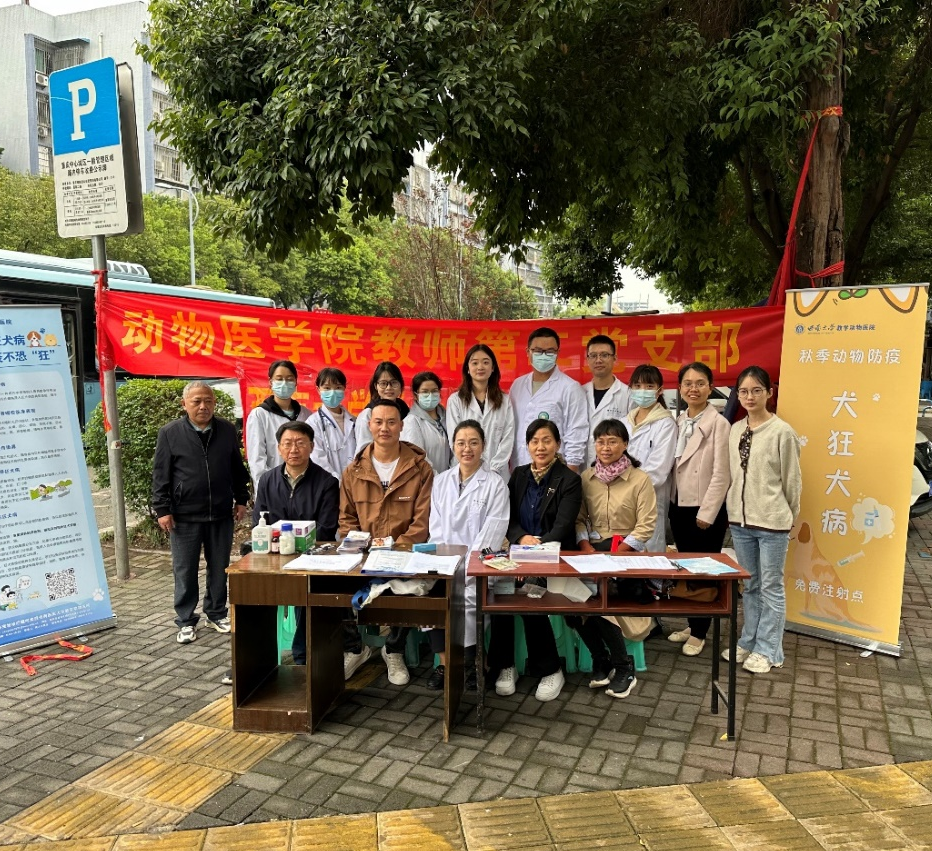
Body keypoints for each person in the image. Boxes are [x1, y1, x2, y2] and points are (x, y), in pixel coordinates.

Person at [340, 398, 434, 684]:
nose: (385, 428)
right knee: (332, 586)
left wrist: (396, 551)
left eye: (391, 422)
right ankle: (355, 648)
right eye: (379, 422)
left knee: (414, 585)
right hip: (362, 556)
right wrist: (362, 550)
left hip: (404, 554)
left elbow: (422, 521)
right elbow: (346, 519)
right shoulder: (353, 471)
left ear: (401, 426)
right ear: (369, 425)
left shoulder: (421, 469)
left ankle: (394, 649)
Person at [488, 420, 582, 702]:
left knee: (530, 594)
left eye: (547, 440)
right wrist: (520, 538)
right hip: (518, 550)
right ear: (527, 445)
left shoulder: (569, 480)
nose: (540, 447)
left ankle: (550, 669)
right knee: (500, 592)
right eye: (534, 441)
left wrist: (534, 550)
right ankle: (505, 665)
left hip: (552, 556)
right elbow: (507, 516)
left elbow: (563, 526)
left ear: (557, 444)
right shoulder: (518, 475)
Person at [152, 381, 250, 644]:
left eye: (208, 400)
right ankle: (185, 620)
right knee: (185, 570)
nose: (203, 406)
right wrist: (162, 509)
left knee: (219, 567)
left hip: (220, 513)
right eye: (196, 401)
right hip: (184, 516)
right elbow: (161, 475)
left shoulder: (226, 430)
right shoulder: (170, 433)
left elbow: (237, 468)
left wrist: (241, 499)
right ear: (184, 404)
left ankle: (216, 613)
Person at [723, 366, 801, 674]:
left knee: (771, 586)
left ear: (769, 393)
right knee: (750, 585)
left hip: (772, 522)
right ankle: (749, 641)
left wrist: (788, 515)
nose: (750, 397)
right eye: (743, 391)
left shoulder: (782, 432)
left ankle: (769, 649)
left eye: (757, 390)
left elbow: (792, 481)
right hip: (740, 523)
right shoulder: (735, 429)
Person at [573, 418, 657, 698]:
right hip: (593, 552)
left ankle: (624, 667)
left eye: (612, 441)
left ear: (625, 444)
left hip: (627, 554)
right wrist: (585, 547)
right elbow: (579, 518)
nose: (606, 447)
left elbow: (646, 525)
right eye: (600, 441)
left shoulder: (640, 479)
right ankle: (602, 658)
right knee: (569, 598)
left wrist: (614, 556)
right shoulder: (586, 478)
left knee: (600, 600)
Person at [425, 420, 509, 690]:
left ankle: (472, 665)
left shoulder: (495, 484)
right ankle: (445, 664)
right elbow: (436, 530)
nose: (467, 449)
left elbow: (492, 533)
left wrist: (468, 568)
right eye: (461, 443)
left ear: (483, 446)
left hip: (480, 565)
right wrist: (446, 566)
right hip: (446, 563)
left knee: (468, 599)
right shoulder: (441, 481)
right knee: (433, 595)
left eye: (474, 443)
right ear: (453, 446)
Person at [254, 421, 340, 665]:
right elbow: (259, 521)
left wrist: (296, 546)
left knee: (307, 588)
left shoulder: (326, 482)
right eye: (288, 443)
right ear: (279, 448)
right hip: (274, 557)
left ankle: (302, 654)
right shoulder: (267, 480)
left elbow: (326, 528)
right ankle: (256, 657)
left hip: (310, 557)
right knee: (252, 591)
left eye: (300, 443)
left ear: (311, 446)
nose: (294, 449)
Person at [666, 362, 731, 657]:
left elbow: (722, 473)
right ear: (680, 388)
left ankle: (701, 632)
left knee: (703, 571)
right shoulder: (679, 421)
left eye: (700, 383)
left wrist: (708, 512)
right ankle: (693, 623)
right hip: (679, 505)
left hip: (704, 509)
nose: (694, 389)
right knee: (687, 568)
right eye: (688, 383)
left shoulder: (719, 424)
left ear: (710, 387)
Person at [510, 327, 588, 472]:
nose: (544, 356)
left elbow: (577, 432)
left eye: (550, 351)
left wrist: (569, 474)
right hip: (519, 468)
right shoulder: (517, 385)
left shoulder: (570, 388)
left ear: (558, 353)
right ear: (528, 352)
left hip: (555, 471)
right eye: (538, 351)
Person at [622, 364, 677, 553]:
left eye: (649, 386)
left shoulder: (666, 424)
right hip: (622, 501)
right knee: (622, 554)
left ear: (659, 390)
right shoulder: (624, 422)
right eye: (637, 386)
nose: (642, 391)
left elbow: (658, 470)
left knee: (648, 555)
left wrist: (627, 489)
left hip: (650, 498)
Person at [445, 344, 515, 480]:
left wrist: (494, 468)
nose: (480, 367)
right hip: (465, 471)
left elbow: (508, 437)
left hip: (498, 473)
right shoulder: (456, 400)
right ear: (467, 368)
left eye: (486, 362)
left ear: (493, 368)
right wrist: (473, 467)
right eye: (475, 363)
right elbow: (455, 439)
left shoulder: (504, 400)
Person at [246, 360, 313, 490]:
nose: (284, 383)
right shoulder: (259, 415)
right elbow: (257, 459)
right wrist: (268, 489)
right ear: (270, 382)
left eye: (289, 379)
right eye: (279, 379)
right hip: (273, 487)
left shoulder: (306, 415)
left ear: (296, 383)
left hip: (305, 486)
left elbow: (312, 453)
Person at [581, 335, 634, 467]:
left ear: (614, 358)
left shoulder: (628, 394)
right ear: (587, 360)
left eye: (604, 355)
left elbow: (632, 436)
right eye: (593, 356)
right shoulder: (579, 392)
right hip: (582, 467)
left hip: (616, 469)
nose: (598, 360)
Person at [309, 367, 356, 478]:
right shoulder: (313, 423)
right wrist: (336, 482)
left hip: (355, 483)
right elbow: (318, 459)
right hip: (329, 484)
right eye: (327, 388)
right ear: (318, 389)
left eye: (338, 387)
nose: (333, 392)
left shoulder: (355, 422)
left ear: (344, 388)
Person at [402, 371, 453, 472]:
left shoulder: (447, 417)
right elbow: (417, 458)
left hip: (450, 478)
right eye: (425, 392)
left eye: (434, 391)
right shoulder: (411, 422)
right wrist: (437, 479)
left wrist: (451, 476)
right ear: (415, 395)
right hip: (427, 478)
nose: (430, 395)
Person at [354, 362, 409, 452]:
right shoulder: (368, 414)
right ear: (376, 386)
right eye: (383, 383)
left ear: (401, 385)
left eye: (394, 383)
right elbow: (363, 450)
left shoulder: (405, 410)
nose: (389, 388)